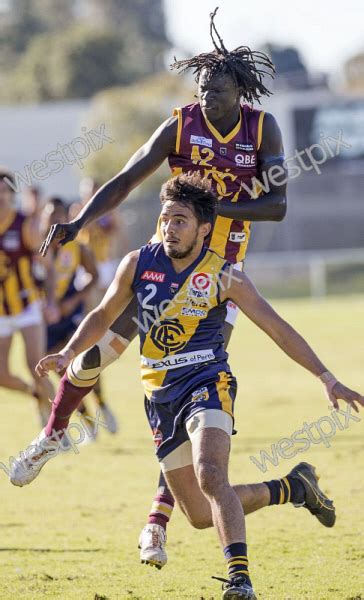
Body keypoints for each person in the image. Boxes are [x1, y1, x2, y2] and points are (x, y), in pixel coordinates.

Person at [11, 173, 363, 599]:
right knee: (198, 514)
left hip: (207, 382)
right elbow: (103, 315)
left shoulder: (224, 276)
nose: (169, 228)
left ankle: (240, 580)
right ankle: (292, 487)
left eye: (180, 220)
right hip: (159, 396)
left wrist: (326, 377)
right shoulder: (138, 263)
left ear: (203, 228)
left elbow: (278, 328)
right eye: (165, 219)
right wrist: (68, 353)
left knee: (211, 474)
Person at [37, 8, 287, 568]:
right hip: (164, 265)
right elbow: (125, 180)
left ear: (238, 91)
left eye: (217, 92)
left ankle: (156, 519)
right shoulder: (180, 123)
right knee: (102, 345)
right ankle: (52, 434)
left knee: (186, 381)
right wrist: (78, 223)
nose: (206, 100)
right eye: (201, 89)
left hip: (218, 278)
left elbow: (276, 204)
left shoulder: (260, 127)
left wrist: (205, 208)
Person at [42, 197, 118, 436]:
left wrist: (73, 301)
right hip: (46, 319)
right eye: (50, 215)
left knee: (80, 363)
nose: (54, 219)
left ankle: (102, 405)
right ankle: (88, 422)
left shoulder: (77, 247)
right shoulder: (36, 246)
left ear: (65, 218)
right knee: (60, 370)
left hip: (71, 313)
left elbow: (93, 276)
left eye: (58, 215)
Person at [0, 169, 54, 425]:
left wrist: (50, 300)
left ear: (12, 194)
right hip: (0, 311)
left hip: (27, 306)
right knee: (2, 375)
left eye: (4, 191)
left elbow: (48, 266)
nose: (0, 196)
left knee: (37, 366)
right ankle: (35, 395)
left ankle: (57, 426)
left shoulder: (25, 225)